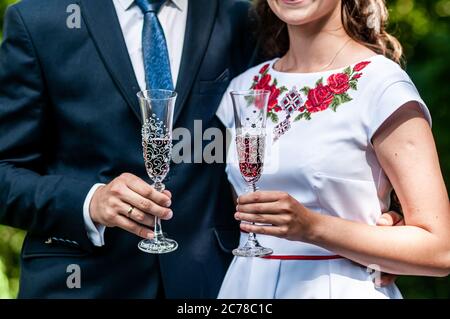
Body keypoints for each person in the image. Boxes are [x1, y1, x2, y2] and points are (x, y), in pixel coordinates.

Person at [0, 0, 255, 298]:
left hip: (210, 284)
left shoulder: (239, 18)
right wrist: (89, 202)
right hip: (82, 284)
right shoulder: (39, 20)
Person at [217, 0, 450, 298]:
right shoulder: (244, 88)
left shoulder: (382, 85)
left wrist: (312, 227)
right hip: (245, 288)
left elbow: (440, 250)